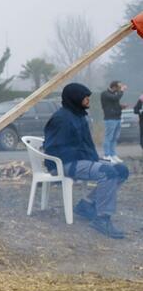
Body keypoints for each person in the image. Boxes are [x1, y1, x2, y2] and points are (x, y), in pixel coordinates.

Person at [44, 83, 129, 239]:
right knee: (107, 172)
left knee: (121, 170)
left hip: (80, 160)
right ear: (75, 97)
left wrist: (93, 159)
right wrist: (85, 158)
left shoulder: (79, 115)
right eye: (85, 97)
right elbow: (52, 148)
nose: (88, 100)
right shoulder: (61, 119)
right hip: (64, 164)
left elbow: (85, 145)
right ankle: (102, 219)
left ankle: (87, 204)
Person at [99, 80, 126, 163]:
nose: (120, 88)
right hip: (110, 119)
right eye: (119, 86)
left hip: (117, 118)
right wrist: (122, 91)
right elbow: (115, 98)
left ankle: (113, 154)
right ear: (114, 87)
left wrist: (121, 106)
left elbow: (114, 102)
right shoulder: (105, 94)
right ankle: (107, 155)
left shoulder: (114, 94)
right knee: (109, 137)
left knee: (114, 138)